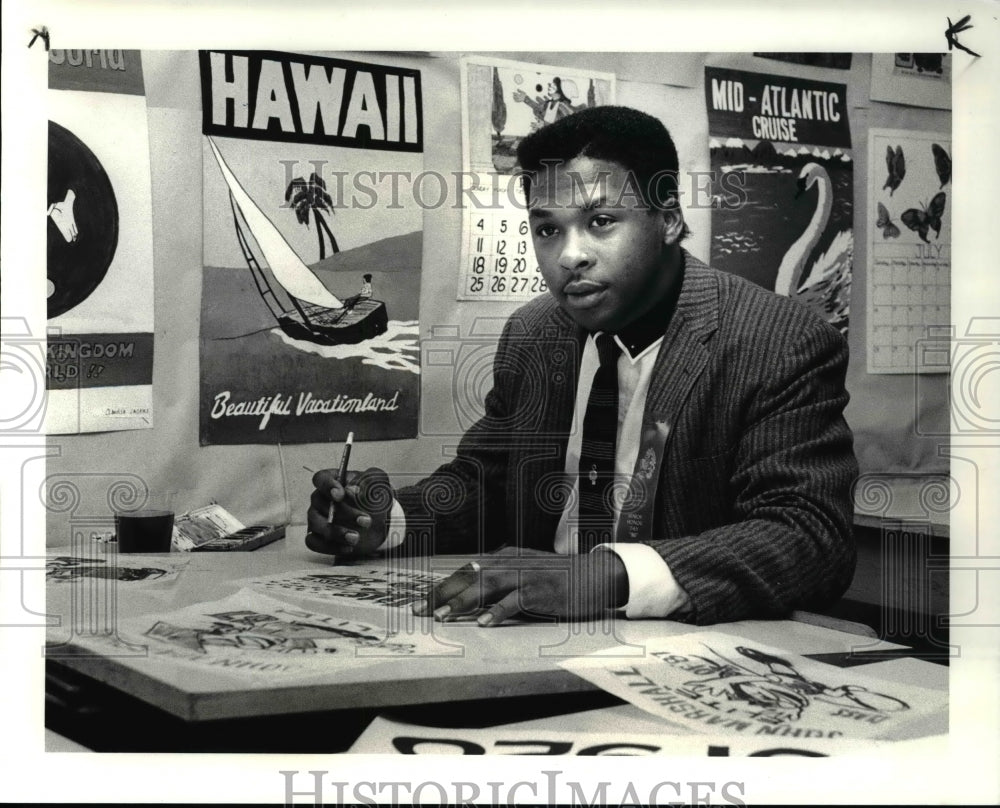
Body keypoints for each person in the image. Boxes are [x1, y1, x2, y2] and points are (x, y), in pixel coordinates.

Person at [307, 106, 857, 628]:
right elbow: (488, 483)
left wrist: (605, 575)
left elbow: (811, 536)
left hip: (679, 651)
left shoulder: (778, 340)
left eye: (600, 220)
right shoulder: (534, 332)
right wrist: (383, 521)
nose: (570, 255)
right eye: (548, 229)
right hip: (521, 640)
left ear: (667, 219)